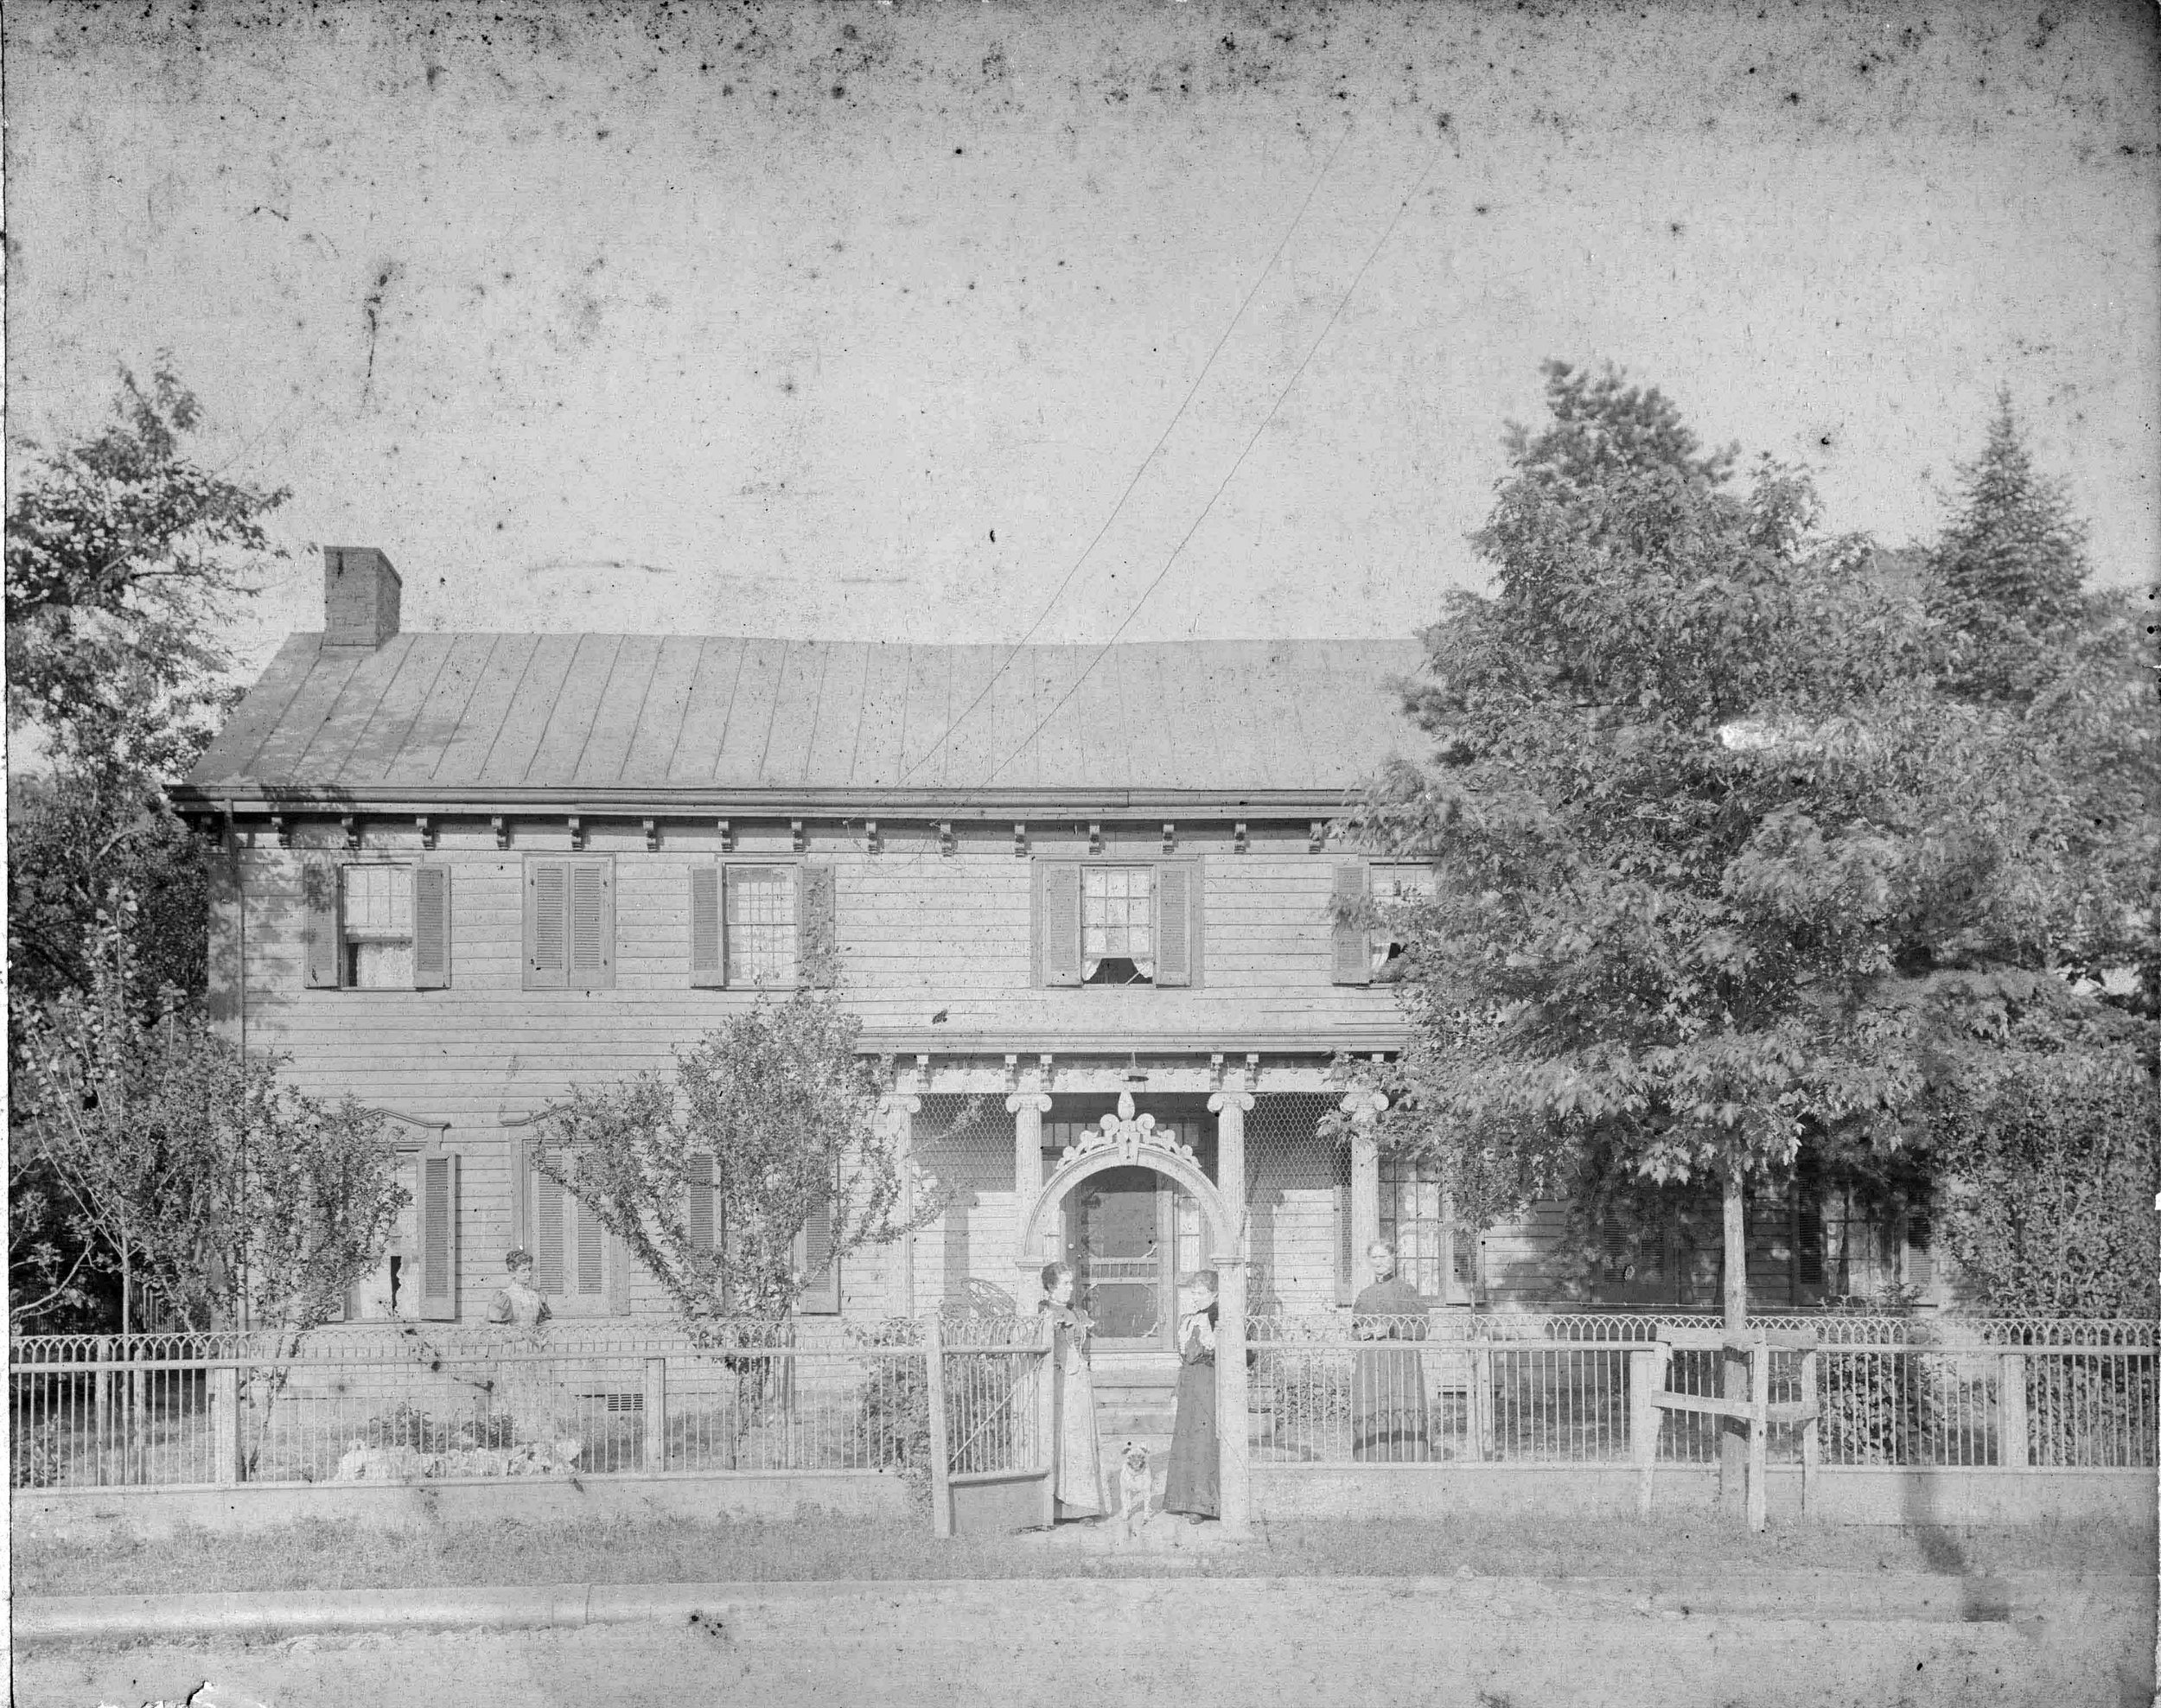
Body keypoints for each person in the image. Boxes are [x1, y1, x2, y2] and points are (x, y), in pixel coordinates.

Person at [1351, 1241, 1431, 1462]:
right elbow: (1354, 1328)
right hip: (1371, 1363)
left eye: (1383, 1257)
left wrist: (1391, 1329)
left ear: (1393, 1259)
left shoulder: (1406, 1290)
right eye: (1374, 1258)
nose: (1378, 1262)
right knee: (1372, 1408)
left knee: (1401, 1407)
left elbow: (1422, 1328)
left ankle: (1406, 1459)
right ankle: (1372, 1459)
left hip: (1400, 1363)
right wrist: (1362, 1333)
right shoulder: (1364, 1295)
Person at [1038, 1261, 1106, 1520]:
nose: (1070, 1288)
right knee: (1062, 1438)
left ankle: (1083, 1506)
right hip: (1056, 1382)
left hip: (1079, 1382)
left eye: (1071, 1283)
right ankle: (1056, 1505)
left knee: (1080, 1440)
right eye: (1064, 1283)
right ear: (1051, 1287)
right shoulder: (1044, 1313)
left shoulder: (1076, 1312)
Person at [1162, 1270, 1220, 1522]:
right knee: (1186, 1437)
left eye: (1200, 1293)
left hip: (1208, 1383)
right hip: (1189, 1383)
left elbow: (1245, 1355)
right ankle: (1183, 1499)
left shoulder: (1221, 1318)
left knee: (1203, 1440)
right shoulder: (1189, 1319)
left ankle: (1203, 1504)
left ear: (1215, 1293)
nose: (1195, 1298)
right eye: (1193, 1292)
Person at [486, 1248, 551, 1329]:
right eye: (523, 1271)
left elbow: (543, 1325)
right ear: (512, 1273)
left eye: (529, 1269)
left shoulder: (536, 1296)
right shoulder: (505, 1297)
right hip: (513, 1340)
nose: (529, 1274)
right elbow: (496, 1329)